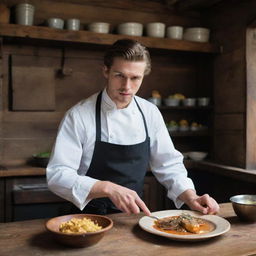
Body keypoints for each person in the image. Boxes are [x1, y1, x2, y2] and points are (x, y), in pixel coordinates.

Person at [46, 39, 219, 216]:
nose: (127, 87)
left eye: (135, 78)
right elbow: (58, 175)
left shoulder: (149, 113)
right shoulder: (79, 115)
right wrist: (107, 187)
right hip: (87, 219)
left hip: (133, 216)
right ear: (106, 71)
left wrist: (191, 196)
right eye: (119, 75)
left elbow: (168, 164)